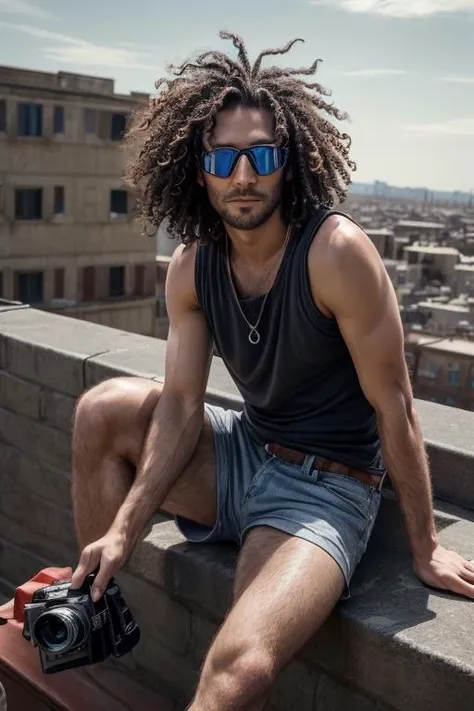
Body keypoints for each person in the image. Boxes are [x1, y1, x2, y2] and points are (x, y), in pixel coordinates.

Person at [70, 31, 474, 711]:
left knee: (240, 670)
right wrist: (122, 529)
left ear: (288, 163)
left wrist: (425, 543)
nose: (244, 174)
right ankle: (93, 626)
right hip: (244, 452)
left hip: (325, 486)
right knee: (101, 408)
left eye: (261, 155)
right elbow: (179, 405)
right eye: (224, 157)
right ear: (199, 169)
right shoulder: (195, 264)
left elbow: (397, 405)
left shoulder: (334, 253)